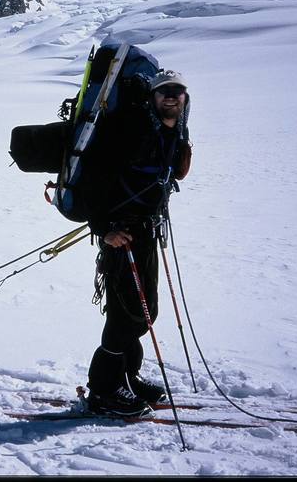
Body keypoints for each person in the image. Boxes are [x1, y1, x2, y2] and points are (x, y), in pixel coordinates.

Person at [82, 69, 193, 416]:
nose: (171, 96)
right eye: (164, 92)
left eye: (177, 91)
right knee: (128, 315)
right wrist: (103, 229)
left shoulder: (171, 132)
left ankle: (126, 377)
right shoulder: (133, 133)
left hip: (145, 232)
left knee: (144, 312)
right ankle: (103, 390)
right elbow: (95, 180)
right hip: (121, 235)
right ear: (152, 98)